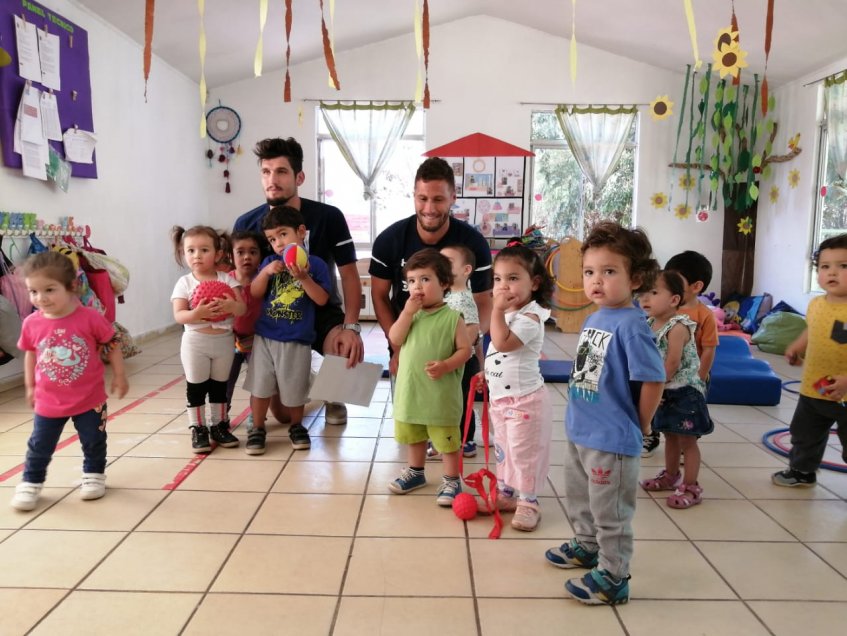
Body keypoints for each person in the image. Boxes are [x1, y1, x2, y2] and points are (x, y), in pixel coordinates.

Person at [544, 221, 665, 606]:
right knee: (580, 497)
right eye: (589, 272)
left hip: (612, 438)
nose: (596, 281)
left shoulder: (632, 325)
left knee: (610, 512)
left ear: (636, 279)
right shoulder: (596, 316)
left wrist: (641, 425)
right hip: (582, 430)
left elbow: (653, 379)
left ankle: (614, 576)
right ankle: (587, 545)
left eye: (609, 271)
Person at [234, 137, 363, 427]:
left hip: (321, 309)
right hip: (276, 316)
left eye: (281, 171)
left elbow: (349, 274)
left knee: (343, 343)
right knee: (282, 416)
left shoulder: (329, 216)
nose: (272, 179)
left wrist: (352, 327)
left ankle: (335, 396)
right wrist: (241, 326)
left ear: (299, 177)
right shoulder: (246, 223)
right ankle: (310, 380)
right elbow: (242, 280)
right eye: (266, 172)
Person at [10, 251, 129, 511]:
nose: (40, 298)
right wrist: (30, 386)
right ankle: (31, 482)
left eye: (49, 290)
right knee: (40, 444)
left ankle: (94, 475)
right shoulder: (31, 323)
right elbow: (30, 354)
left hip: (89, 398)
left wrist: (120, 375)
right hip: (48, 399)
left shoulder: (90, 317)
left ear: (72, 286)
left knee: (94, 440)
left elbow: (112, 343)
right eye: (33, 291)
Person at [370, 156, 493, 377]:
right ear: (414, 196)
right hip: (409, 344)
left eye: (438, 199)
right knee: (409, 399)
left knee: (458, 399)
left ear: (453, 198)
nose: (429, 208)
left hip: (459, 350)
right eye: (423, 198)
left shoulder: (474, 244)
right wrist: (397, 347)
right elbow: (379, 296)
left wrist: (472, 338)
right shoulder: (389, 240)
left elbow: (483, 301)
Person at [387, 249, 471, 506]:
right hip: (411, 391)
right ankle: (415, 472)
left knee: (446, 438)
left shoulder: (453, 318)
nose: (417, 286)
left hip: (440, 394)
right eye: (411, 281)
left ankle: (452, 479)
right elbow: (395, 338)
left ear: (444, 283)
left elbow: (465, 351)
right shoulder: (411, 315)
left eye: (425, 279)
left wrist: (446, 365)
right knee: (414, 434)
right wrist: (406, 313)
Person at [246, 207, 331, 455]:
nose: (278, 243)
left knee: (295, 387)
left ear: (301, 232)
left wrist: (304, 278)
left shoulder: (316, 265)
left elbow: (322, 299)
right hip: (265, 337)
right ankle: (258, 428)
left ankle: (296, 426)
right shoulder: (270, 263)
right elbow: (254, 292)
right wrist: (265, 272)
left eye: (283, 234)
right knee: (260, 385)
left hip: (297, 339)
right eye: (272, 239)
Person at [483, 239, 554, 531]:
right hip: (502, 400)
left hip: (525, 402)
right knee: (505, 449)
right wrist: (486, 374)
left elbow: (502, 342)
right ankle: (506, 492)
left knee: (524, 452)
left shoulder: (530, 317)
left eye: (513, 279)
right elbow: (495, 352)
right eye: (498, 279)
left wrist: (496, 311)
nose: (503, 287)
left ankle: (529, 501)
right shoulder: (510, 313)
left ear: (534, 283)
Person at [772, 233, 847, 487]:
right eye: (825, 266)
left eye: (843, 266)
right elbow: (812, 329)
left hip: (845, 392)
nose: (832, 272)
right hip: (815, 386)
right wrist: (797, 347)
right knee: (804, 433)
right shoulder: (816, 304)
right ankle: (802, 471)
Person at [639, 270, 713, 508]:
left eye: (653, 292)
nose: (644, 298)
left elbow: (671, 363)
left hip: (684, 391)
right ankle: (671, 476)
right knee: (670, 435)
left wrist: (655, 390)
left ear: (673, 300)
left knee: (687, 441)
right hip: (664, 389)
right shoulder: (649, 323)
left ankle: (691, 486)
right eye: (643, 292)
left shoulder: (678, 326)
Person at [171, 226, 246, 453]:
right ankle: (198, 428)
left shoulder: (227, 280)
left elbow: (242, 308)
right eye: (191, 250)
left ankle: (219, 426)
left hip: (223, 341)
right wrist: (196, 314)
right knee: (196, 386)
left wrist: (232, 306)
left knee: (219, 386)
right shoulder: (184, 283)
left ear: (218, 253)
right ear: (183, 253)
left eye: (204, 250)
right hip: (195, 342)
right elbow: (179, 315)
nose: (197, 255)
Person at [642, 250, 717, 458]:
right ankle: (651, 436)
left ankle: (687, 444)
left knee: (687, 413)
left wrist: (700, 377)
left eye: (676, 280)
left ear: (696, 286)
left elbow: (709, 348)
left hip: (690, 376)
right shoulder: (662, 311)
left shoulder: (704, 315)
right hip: (662, 373)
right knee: (657, 406)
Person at [426, 244, 483, 460]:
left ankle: (465, 440)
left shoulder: (464, 299)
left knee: (459, 402)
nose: (441, 267)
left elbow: (471, 333)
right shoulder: (446, 296)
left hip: (462, 362)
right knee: (444, 400)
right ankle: (442, 439)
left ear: (466, 270)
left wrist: (453, 355)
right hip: (447, 359)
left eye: (447, 263)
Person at [224, 231, 263, 413]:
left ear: (260, 255)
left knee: (258, 380)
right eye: (240, 252)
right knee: (225, 379)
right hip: (230, 340)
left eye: (253, 252)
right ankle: (221, 415)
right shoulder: (225, 282)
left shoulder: (264, 280)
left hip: (258, 341)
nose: (247, 257)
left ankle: (256, 415)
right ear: (230, 255)